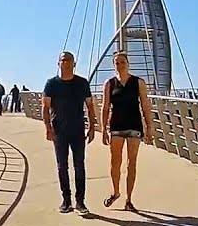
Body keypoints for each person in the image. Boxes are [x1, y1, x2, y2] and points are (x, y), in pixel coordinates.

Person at [43, 51, 97, 214]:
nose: (65, 63)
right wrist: (48, 128)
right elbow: (45, 107)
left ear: (74, 64)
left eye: (69, 60)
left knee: (79, 165)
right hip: (59, 130)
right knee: (62, 166)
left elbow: (90, 106)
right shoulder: (51, 84)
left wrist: (92, 127)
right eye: (63, 60)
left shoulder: (82, 83)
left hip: (78, 129)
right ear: (58, 63)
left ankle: (80, 202)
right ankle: (66, 200)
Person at [101, 52, 154, 211]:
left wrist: (149, 127)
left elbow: (145, 105)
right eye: (117, 63)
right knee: (115, 162)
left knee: (132, 162)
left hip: (134, 126)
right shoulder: (109, 83)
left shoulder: (138, 82)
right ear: (114, 65)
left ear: (128, 63)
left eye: (122, 62)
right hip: (116, 126)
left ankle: (129, 199)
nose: (120, 65)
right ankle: (115, 192)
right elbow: (105, 107)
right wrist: (103, 129)